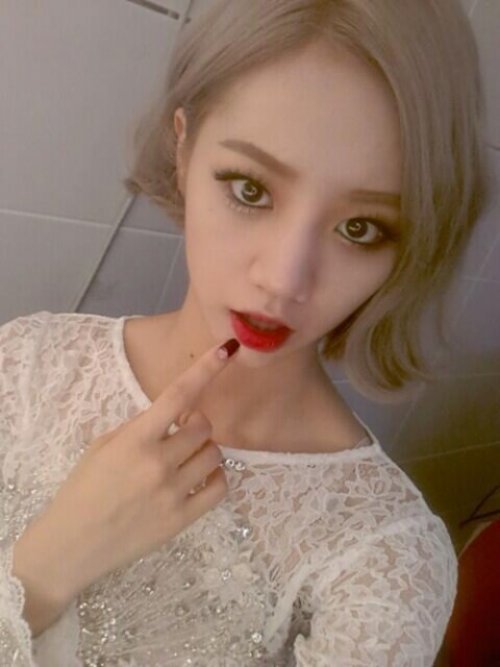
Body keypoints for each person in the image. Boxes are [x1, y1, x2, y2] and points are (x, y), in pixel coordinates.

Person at [0, 0, 492, 665]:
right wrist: (45, 569)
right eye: (251, 189)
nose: (284, 279)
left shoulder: (382, 561)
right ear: (182, 149)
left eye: (360, 228)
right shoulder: (28, 363)